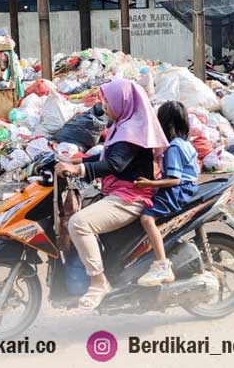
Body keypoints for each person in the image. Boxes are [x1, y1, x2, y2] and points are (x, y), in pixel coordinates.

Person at [56, 78, 168, 309]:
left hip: (130, 198)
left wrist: (78, 168)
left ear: (122, 102)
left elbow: (116, 164)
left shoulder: (132, 131)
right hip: (117, 192)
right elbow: (108, 157)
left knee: (78, 223)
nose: (104, 107)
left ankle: (99, 282)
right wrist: (76, 160)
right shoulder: (122, 126)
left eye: (108, 102)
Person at [133, 101, 198, 287]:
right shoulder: (183, 143)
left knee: (146, 218)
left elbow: (175, 180)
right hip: (187, 186)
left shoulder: (174, 148)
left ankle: (162, 264)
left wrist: (150, 183)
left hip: (179, 189)